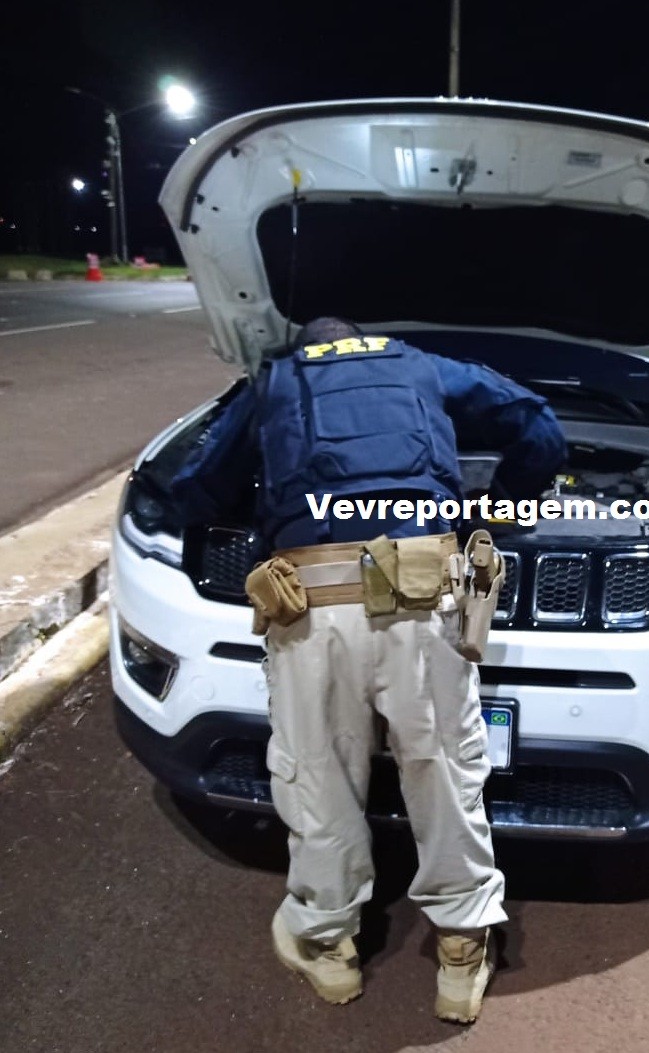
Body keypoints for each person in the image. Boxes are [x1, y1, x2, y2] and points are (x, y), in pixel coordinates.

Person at [171, 316, 566, 1023]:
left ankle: (330, 947)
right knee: (444, 771)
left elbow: (198, 487)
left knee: (318, 776)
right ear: (366, 343)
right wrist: (497, 506)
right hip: (424, 597)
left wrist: (259, 503)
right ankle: (462, 949)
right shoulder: (424, 366)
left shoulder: (275, 383)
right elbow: (538, 424)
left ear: (309, 350)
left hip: (314, 607)